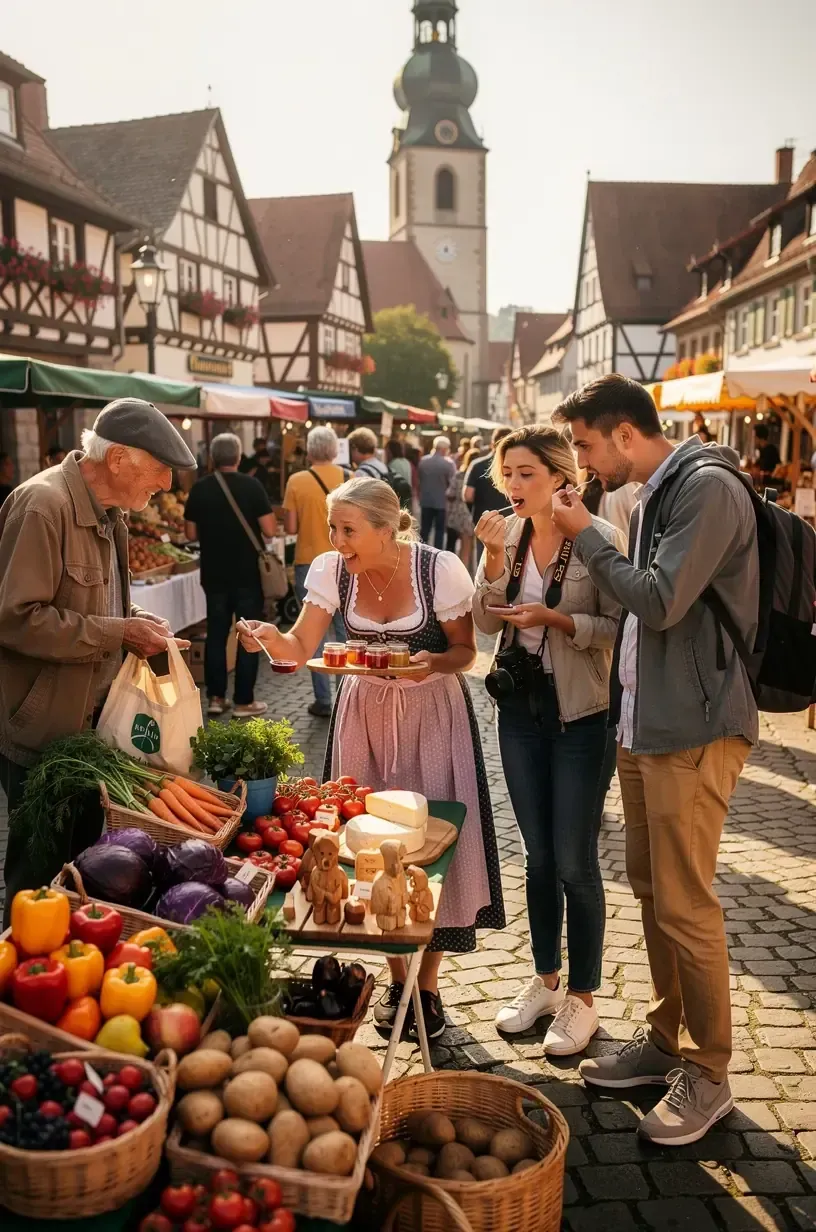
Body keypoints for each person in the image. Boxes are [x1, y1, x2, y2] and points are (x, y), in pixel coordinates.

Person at [551, 374, 759, 1147]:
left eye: (585, 444)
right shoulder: (653, 491)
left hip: (696, 728)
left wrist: (587, 537)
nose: (582, 461)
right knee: (651, 890)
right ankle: (668, 1042)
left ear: (627, 435)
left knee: (686, 902)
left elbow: (661, 599)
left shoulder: (705, 489)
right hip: (647, 725)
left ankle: (710, 1074)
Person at [237, 477, 505, 1040]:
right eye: (334, 529)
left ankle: (427, 988)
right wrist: (267, 638)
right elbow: (297, 648)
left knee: (434, 842)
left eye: (348, 530)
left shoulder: (439, 570)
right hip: (363, 716)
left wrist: (428, 660)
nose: (337, 541)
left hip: (432, 712)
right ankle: (397, 977)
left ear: (388, 530)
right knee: (364, 843)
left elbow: (466, 651)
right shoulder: (333, 571)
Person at [0, 397, 195, 916]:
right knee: (36, 876)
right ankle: (17, 988)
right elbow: (16, 618)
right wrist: (118, 631)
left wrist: (135, 620)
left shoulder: (112, 515)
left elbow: (91, 600)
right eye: (159, 470)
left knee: (85, 867)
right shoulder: (43, 505)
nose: (166, 486)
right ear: (118, 459)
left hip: (89, 728)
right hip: (41, 728)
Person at [473, 427, 624, 1055]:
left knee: (574, 860)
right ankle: (546, 981)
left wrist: (555, 619)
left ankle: (583, 1000)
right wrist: (491, 564)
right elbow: (484, 622)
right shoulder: (505, 535)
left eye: (526, 472)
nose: (512, 485)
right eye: (507, 472)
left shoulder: (599, 538)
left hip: (583, 716)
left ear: (562, 476)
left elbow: (616, 627)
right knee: (536, 858)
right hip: (521, 715)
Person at [184, 433, 276, 719]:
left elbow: (189, 534)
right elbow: (270, 529)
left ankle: (215, 697)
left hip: (214, 573)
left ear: (212, 458)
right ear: (238, 457)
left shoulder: (200, 489)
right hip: (247, 574)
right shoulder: (252, 486)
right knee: (249, 635)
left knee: (216, 635)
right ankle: (243, 701)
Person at [283, 426, 348, 718]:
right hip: (347, 560)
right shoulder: (350, 478)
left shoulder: (296, 481)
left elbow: (291, 528)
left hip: (309, 562)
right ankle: (347, 695)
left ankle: (323, 700)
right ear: (335, 450)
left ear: (309, 451)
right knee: (347, 631)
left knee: (313, 634)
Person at [464, 426, 513, 562]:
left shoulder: (477, 464)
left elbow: (468, 495)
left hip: (484, 519)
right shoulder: (517, 466)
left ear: (492, 443)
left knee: (484, 560)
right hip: (512, 519)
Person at [418, 435, 456, 548]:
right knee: (439, 531)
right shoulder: (448, 464)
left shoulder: (423, 461)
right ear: (444, 449)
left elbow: (420, 479)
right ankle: (436, 554)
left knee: (425, 529)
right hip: (441, 502)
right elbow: (452, 483)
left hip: (426, 500)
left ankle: (421, 551)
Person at [445, 446, 478, 569]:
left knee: (465, 547)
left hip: (460, 513)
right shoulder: (480, 476)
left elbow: (449, 493)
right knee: (471, 547)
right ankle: (469, 572)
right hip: (474, 512)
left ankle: (462, 572)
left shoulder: (459, 475)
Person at [753, 423, 780, 488]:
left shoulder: (771, 449)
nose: (753, 439)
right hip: (762, 485)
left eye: (754, 436)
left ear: (759, 438)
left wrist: (771, 475)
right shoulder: (760, 450)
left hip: (771, 486)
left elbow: (779, 466)